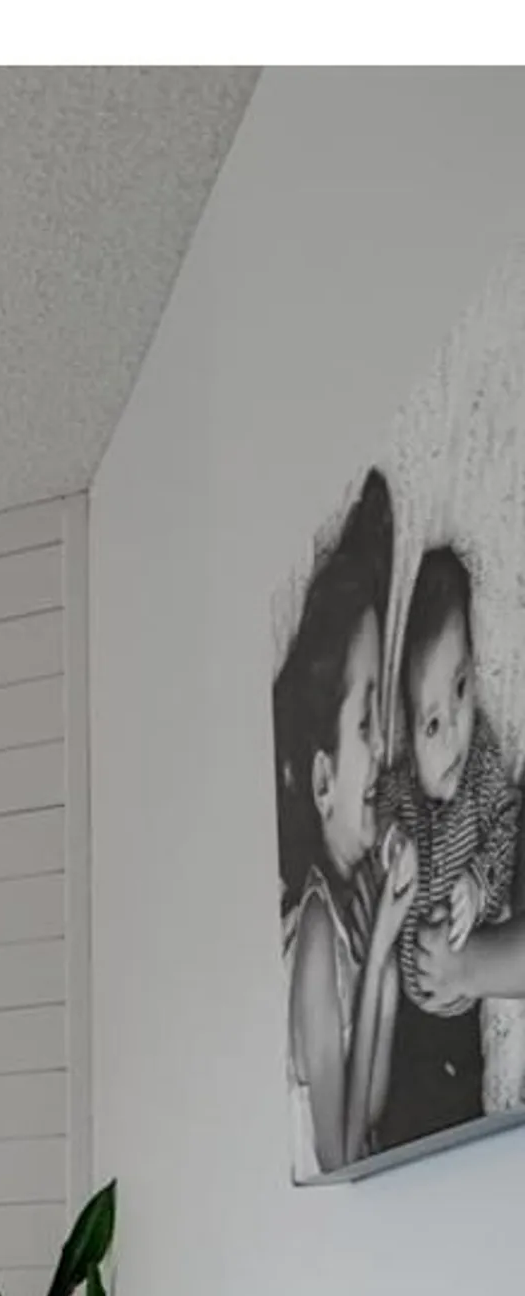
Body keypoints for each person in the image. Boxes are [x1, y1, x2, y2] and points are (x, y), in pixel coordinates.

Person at [277, 473, 418, 1176]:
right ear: (324, 779)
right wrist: (385, 940)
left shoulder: (347, 919)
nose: (388, 748)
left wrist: (384, 955)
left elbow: (369, 1121)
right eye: (368, 722)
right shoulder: (313, 933)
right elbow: (338, 1154)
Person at [373, 543, 518, 1149]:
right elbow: (382, 814)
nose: (455, 727)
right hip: (408, 1004)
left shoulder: (482, 767)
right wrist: (391, 845)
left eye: (462, 687)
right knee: (403, 1104)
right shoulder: (405, 787)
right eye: (433, 723)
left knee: (458, 1104)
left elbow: (508, 823)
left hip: (458, 1006)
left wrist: (478, 887)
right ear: (408, 731)